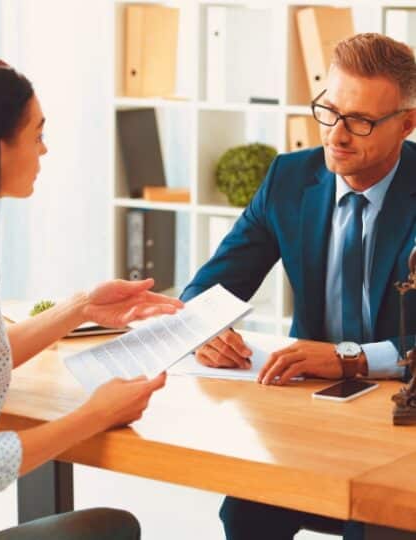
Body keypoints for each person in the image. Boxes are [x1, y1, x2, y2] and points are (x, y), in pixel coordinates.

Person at [180, 33, 416, 539]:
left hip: (403, 419)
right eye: (329, 110)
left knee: (377, 526)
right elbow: (210, 287)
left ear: (407, 124)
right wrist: (205, 331)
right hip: (306, 411)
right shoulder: (290, 178)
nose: (336, 135)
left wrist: (348, 358)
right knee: (245, 512)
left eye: (361, 121)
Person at [0, 54, 183, 540]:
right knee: (112, 529)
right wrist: (95, 414)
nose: (45, 150)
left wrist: (80, 308)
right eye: (37, 134)